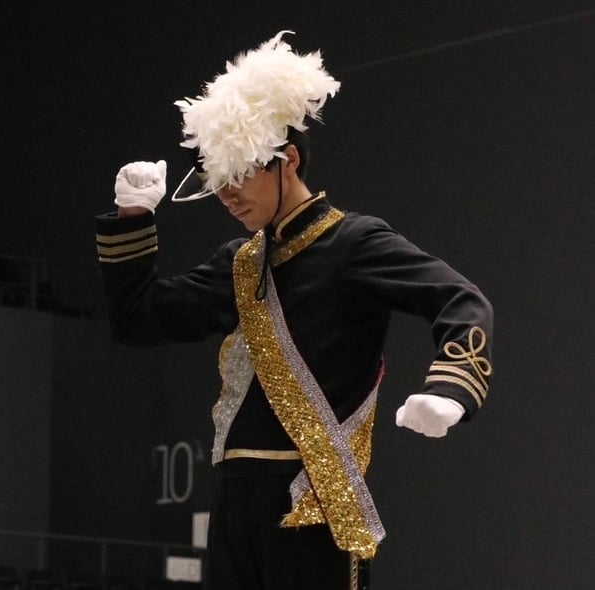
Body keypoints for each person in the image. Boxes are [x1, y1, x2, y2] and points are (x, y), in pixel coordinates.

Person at [95, 31, 493, 590]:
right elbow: (138, 320)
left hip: (311, 501)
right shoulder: (240, 263)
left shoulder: (353, 242)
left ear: (289, 160)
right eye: (218, 181)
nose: (227, 195)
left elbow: (460, 299)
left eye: (240, 175)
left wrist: (452, 388)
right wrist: (133, 219)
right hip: (234, 503)